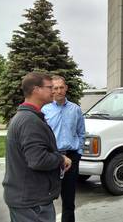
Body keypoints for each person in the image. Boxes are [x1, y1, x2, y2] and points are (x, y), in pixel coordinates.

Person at [3, 72, 72, 222]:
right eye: (49, 87)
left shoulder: (26, 117)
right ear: (36, 90)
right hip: (33, 204)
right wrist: (60, 158)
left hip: (27, 199)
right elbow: (38, 160)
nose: (53, 91)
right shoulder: (30, 121)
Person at [42, 75, 86, 222]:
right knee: (46, 198)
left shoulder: (75, 109)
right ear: (51, 90)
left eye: (61, 87)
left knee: (68, 200)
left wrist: (78, 152)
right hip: (52, 158)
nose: (59, 91)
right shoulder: (44, 110)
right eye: (55, 88)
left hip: (72, 158)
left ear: (66, 88)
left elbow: (81, 132)